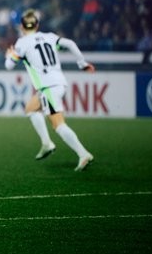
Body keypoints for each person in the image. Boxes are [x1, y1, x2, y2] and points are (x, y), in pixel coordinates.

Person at [5, 9, 95, 171]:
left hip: (48, 87)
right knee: (31, 109)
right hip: (58, 83)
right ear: (37, 25)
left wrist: (10, 55)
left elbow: (9, 66)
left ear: (22, 27)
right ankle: (46, 143)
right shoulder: (50, 37)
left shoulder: (22, 43)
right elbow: (70, 43)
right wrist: (82, 63)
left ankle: (83, 154)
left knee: (58, 125)